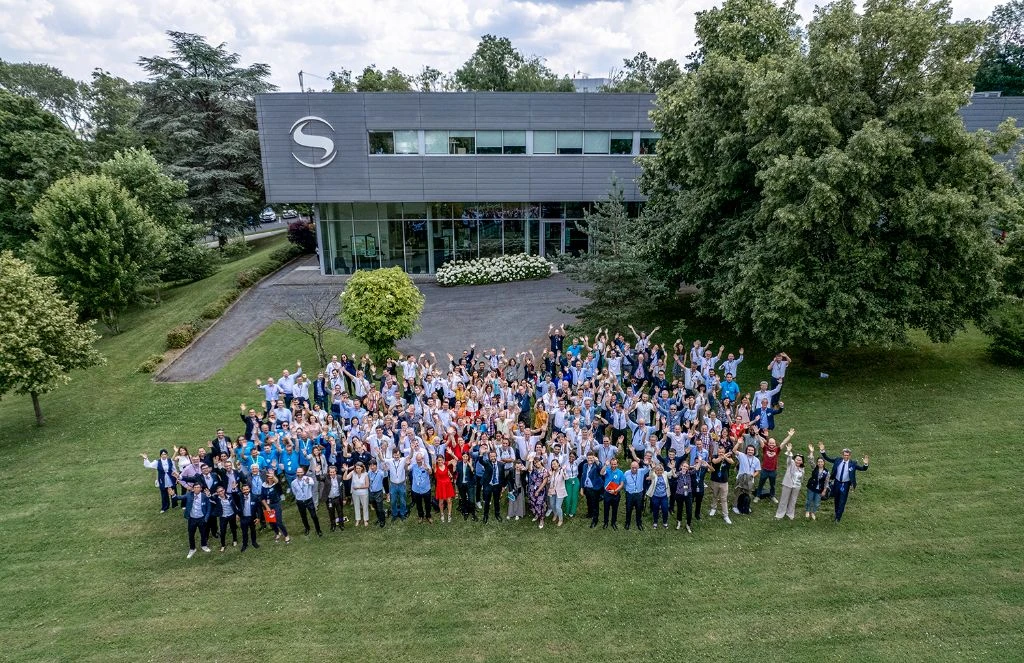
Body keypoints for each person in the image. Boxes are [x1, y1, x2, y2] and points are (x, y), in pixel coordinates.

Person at [819, 442, 869, 522]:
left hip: (845, 484)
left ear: (850, 456)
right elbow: (827, 458)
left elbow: (863, 469)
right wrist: (822, 451)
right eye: (844, 455)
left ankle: (838, 518)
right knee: (836, 499)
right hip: (837, 483)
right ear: (842, 455)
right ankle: (836, 513)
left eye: (847, 455)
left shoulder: (853, 464)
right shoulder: (837, 460)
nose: (846, 456)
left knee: (842, 501)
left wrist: (865, 464)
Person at [775, 439, 805, 520]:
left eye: (800, 460)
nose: (798, 461)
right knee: (784, 500)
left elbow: (802, 478)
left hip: (796, 486)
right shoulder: (791, 464)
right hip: (787, 484)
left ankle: (790, 513)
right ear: (794, 459)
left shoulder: (802, 469)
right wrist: (789, 451)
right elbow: (789, 459)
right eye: (797, 459)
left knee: (793, 501)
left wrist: (799, 485)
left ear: (802, 462)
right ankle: (780, 514)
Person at [732, 440, 761, 515]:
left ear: (754, 451)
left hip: (750, 479)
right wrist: (738, 443)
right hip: (741, 478)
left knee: (748, 493)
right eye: (749, 450)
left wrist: (752, 476)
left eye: (752, 450)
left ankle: (745, 506)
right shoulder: (742, 455)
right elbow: (734, 450)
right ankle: (735, 506)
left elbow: (757, 471)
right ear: (746, 450)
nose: (750, 451)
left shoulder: (756, 460)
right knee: (738, 492)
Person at [182, 482, 211, 558]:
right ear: (193, 488)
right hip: (192, 519)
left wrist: (206, 517)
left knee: (203, 533)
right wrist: (173, 495)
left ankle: (204, 545)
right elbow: (180, 497)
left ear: (201, 489)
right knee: (191, 534)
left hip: (202, 518)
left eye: (198, 487)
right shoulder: (189, 495)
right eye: (195, 487)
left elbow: (209, 507)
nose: (196, 489)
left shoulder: (204, 496)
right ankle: (192, 548)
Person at [261, 472, 290, 543]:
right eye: (268, 477)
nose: (269, 478)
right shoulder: (264, 486)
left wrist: (273, 476)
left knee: (279, 521)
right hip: (268, 505)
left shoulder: (276, 485)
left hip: (276, 504)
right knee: (271, 522)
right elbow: (262, 498)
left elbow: (277, 481)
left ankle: (286, 535)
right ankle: (277, 533)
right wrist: (267, 507)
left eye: (271, 477)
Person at [708, 444, 734, 525]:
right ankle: (713, 508)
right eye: (720, 452)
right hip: (715, 481)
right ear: (717, 451)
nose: (721, 453)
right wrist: (721, 457)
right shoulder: (714, 456)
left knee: (724, 499)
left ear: (724, 451)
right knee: (715, 495)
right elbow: (715, 461)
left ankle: (725, 515)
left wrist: (725, 457)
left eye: (722, 452)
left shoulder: (727, 458)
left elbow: (732, 462)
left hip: (724, 482)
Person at [622, 460, 649, 531]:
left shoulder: (641, 471)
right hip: (629, 494)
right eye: (632, 467)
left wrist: (645, 463)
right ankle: (627, 523)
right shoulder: (626, 473)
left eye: (636, 468)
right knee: (628, 509)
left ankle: (639, 523)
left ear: (638, 467)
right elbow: (624, 483)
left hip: (639, 494)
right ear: (630, 467)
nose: (634, 469)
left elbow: (648, 468)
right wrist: (627, 490)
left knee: (639, 509)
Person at [804, 446, 830, 520]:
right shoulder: (815, 467)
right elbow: (810, 460)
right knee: (809, 500)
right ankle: (807, 511)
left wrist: (824, 490)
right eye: (818, 462)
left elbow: (826, 482)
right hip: (811, 487)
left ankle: (813, 512)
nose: (820, 463)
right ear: (817, 463)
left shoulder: (827, 472)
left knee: (816, 503)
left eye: (821, 462)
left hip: (820, 489)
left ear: (824, 463)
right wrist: (811, 452)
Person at [580, 452, 604, 528]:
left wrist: (597, 462)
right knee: (589, 501)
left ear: (594, 458)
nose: (590, 459)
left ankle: (595, 520)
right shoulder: (585, 465)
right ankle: (590, 514)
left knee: (595, 504)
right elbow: (583, 476)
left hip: (595, 488)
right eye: (588, 458)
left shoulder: (597, 465)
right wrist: (582, 488)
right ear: (587, 458)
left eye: (591, 458)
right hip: (587, 488)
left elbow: (601, 471)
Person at [235, 482, 261, 550]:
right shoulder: (239, 496)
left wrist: (258, 518)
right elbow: (234, 496)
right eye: (244, 490)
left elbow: (259, 508)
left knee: (253, 530)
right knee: (244, 532)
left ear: (249, 489)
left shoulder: (254, 497)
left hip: (252, 517)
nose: (246, 491)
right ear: (242, 490)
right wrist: (234, 489)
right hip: (243, 518)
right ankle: (244, 544)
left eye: (247, 489)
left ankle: (254, 542)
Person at [601, 458, 625, 530]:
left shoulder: (620, 472)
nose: (613, 465)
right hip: (607, 493)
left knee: (615, 509)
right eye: (612, 464)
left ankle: (613, 522)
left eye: (615, 464)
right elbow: (601, 473)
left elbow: (621, 484)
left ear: (617, 464)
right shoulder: (607, 470)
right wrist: (605, 465)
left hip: (616, 493)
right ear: (610, 464)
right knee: (606, 509)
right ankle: (606, 522)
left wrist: (615, 490)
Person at [212, 485, 238, 551]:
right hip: (223, 517)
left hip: (232, 515)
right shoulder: (217, 499)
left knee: (233, 528)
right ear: (217, 493)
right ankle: (223, 545)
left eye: (222, 491)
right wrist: (210, 494)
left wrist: (237, 514)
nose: (221, 492)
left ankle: (235, 540)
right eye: (219, 492)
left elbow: (234, 504)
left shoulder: (230, 496)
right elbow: (211, 498)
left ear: (224, 490)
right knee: (223, 531)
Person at [409, 452, 433, 523]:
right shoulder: (413, 466)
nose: (419, 461)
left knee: (427, 504)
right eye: (417, 460)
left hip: (426, 489)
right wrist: (406, 463)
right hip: (416, 490)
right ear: (416, 459)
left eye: (420, 459)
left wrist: (427, 469)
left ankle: (428, 516)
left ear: (422, 459)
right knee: (418, 504)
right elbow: (407, 469)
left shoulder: (426, 465)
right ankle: (421, 516)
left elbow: (431, 472)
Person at [344, 462, 370, 527]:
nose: (358, 469)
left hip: (364, 493)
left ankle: (365, 520)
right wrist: (346, 470)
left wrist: (358, 487)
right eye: (356, 468)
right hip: (355, 493)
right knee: (356, 506)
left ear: (362, 468)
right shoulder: (353, 473)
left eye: (359, 468)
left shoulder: (365, 474)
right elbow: (345, 478)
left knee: (365, 506)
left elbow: (367, 485)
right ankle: (358, 519)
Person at [646, 463, 671, 529]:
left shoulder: (665, 474)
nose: (659, 471)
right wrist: (653, 468)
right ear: (655, 471)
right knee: (655, 509)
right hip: (655, 496)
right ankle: (655, 522)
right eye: (658, 470)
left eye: (661, 470)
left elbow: (670, 474)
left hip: (664, 496)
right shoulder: (654, 475)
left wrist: (672, 468)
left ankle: (665, 522)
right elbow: (650, 475)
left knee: (665, 509)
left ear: (662, 470)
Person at [321, 465, 345, 531]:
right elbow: (319, 478)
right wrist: (317, 472)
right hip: (330, 499)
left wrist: (344, 499)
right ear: (328, 472)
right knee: (331, 513)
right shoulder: (326, 477)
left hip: (338, 498)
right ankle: (333, 525)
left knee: (340, 512)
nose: (332, 473)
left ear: (336, 472)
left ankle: (341, 524)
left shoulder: (340, 477)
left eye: (333, 472)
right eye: (330, 472)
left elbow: (342, 488)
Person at [527, 457, 549, 526]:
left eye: (538, 462)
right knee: (533, 503)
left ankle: (541, 519)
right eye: (535, 463)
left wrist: (538, 491)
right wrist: (530, 462)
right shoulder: (534, 469)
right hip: (532, 489)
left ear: (540, 461)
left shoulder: (544, 471)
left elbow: (544, 482)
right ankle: (536, 515)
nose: (537, 464)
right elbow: (529, 469)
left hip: (540, 491)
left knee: (539, 504)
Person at [547, 459, 567, 527]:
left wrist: (564, 471)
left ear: (558, 464)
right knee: (552, 505)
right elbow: (548, 482)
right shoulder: (551, 472)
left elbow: (566, 478)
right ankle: (555, 514)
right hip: (552, 491)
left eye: (555, 464)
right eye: (552, 464)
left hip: (560, 491)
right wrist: (550, 476)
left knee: (558, 507)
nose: (554, 465)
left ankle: (560, 519)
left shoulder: (561, 471)